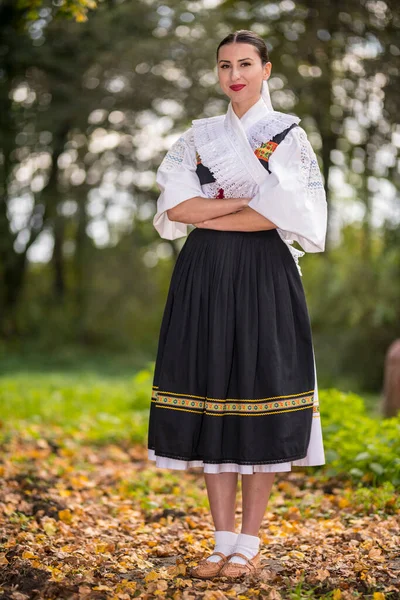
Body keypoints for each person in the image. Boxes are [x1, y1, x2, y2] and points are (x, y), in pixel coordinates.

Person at [147, 29, 328, 580]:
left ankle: (249, 544)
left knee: (258, 394)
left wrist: (219, 206)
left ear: (266, 70)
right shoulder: (199, 136)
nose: (234, 75)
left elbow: (281, 216)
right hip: (203, 275)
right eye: (224, 65)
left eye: (245, 63)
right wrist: (252, 200)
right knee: (212, 397)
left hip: (263, 276)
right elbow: (176, 209)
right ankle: (221, 540)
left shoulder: (288, 137)